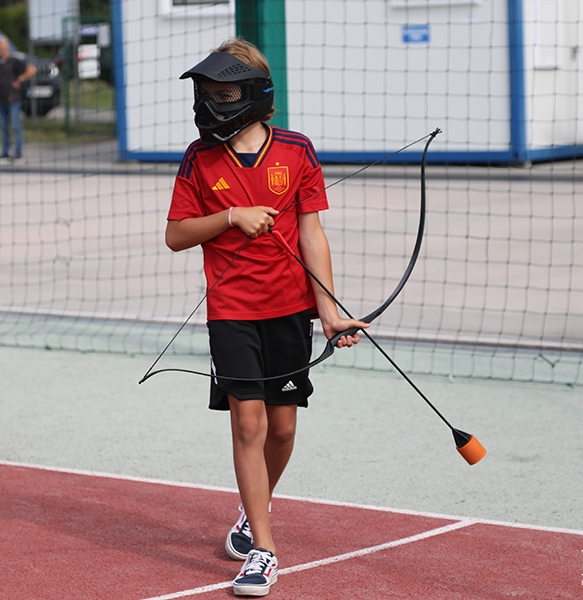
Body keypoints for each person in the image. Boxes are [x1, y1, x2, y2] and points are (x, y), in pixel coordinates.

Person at [166, 38, 368, 597]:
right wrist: (230, 217)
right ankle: (264, 548)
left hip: (289, 311)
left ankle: (250, 512)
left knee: (281, 427)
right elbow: (175, 235)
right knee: (248, 423)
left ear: (255, 95)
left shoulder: (297, 152)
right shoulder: (198, 158)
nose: (210, 103)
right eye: (204, 93)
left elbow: (312, 233)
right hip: (230, 312)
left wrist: (329, 312)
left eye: (223, 93)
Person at [0, 36, 35, 160]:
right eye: (0, 46)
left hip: (14, 98)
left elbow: (32, 70)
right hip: (1, 98)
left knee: (15, 125)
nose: (2, 49)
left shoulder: (15, 61)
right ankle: (5, 151)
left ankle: (18, 151)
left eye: (4, 46)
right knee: (3, 126)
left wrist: (20, 80)